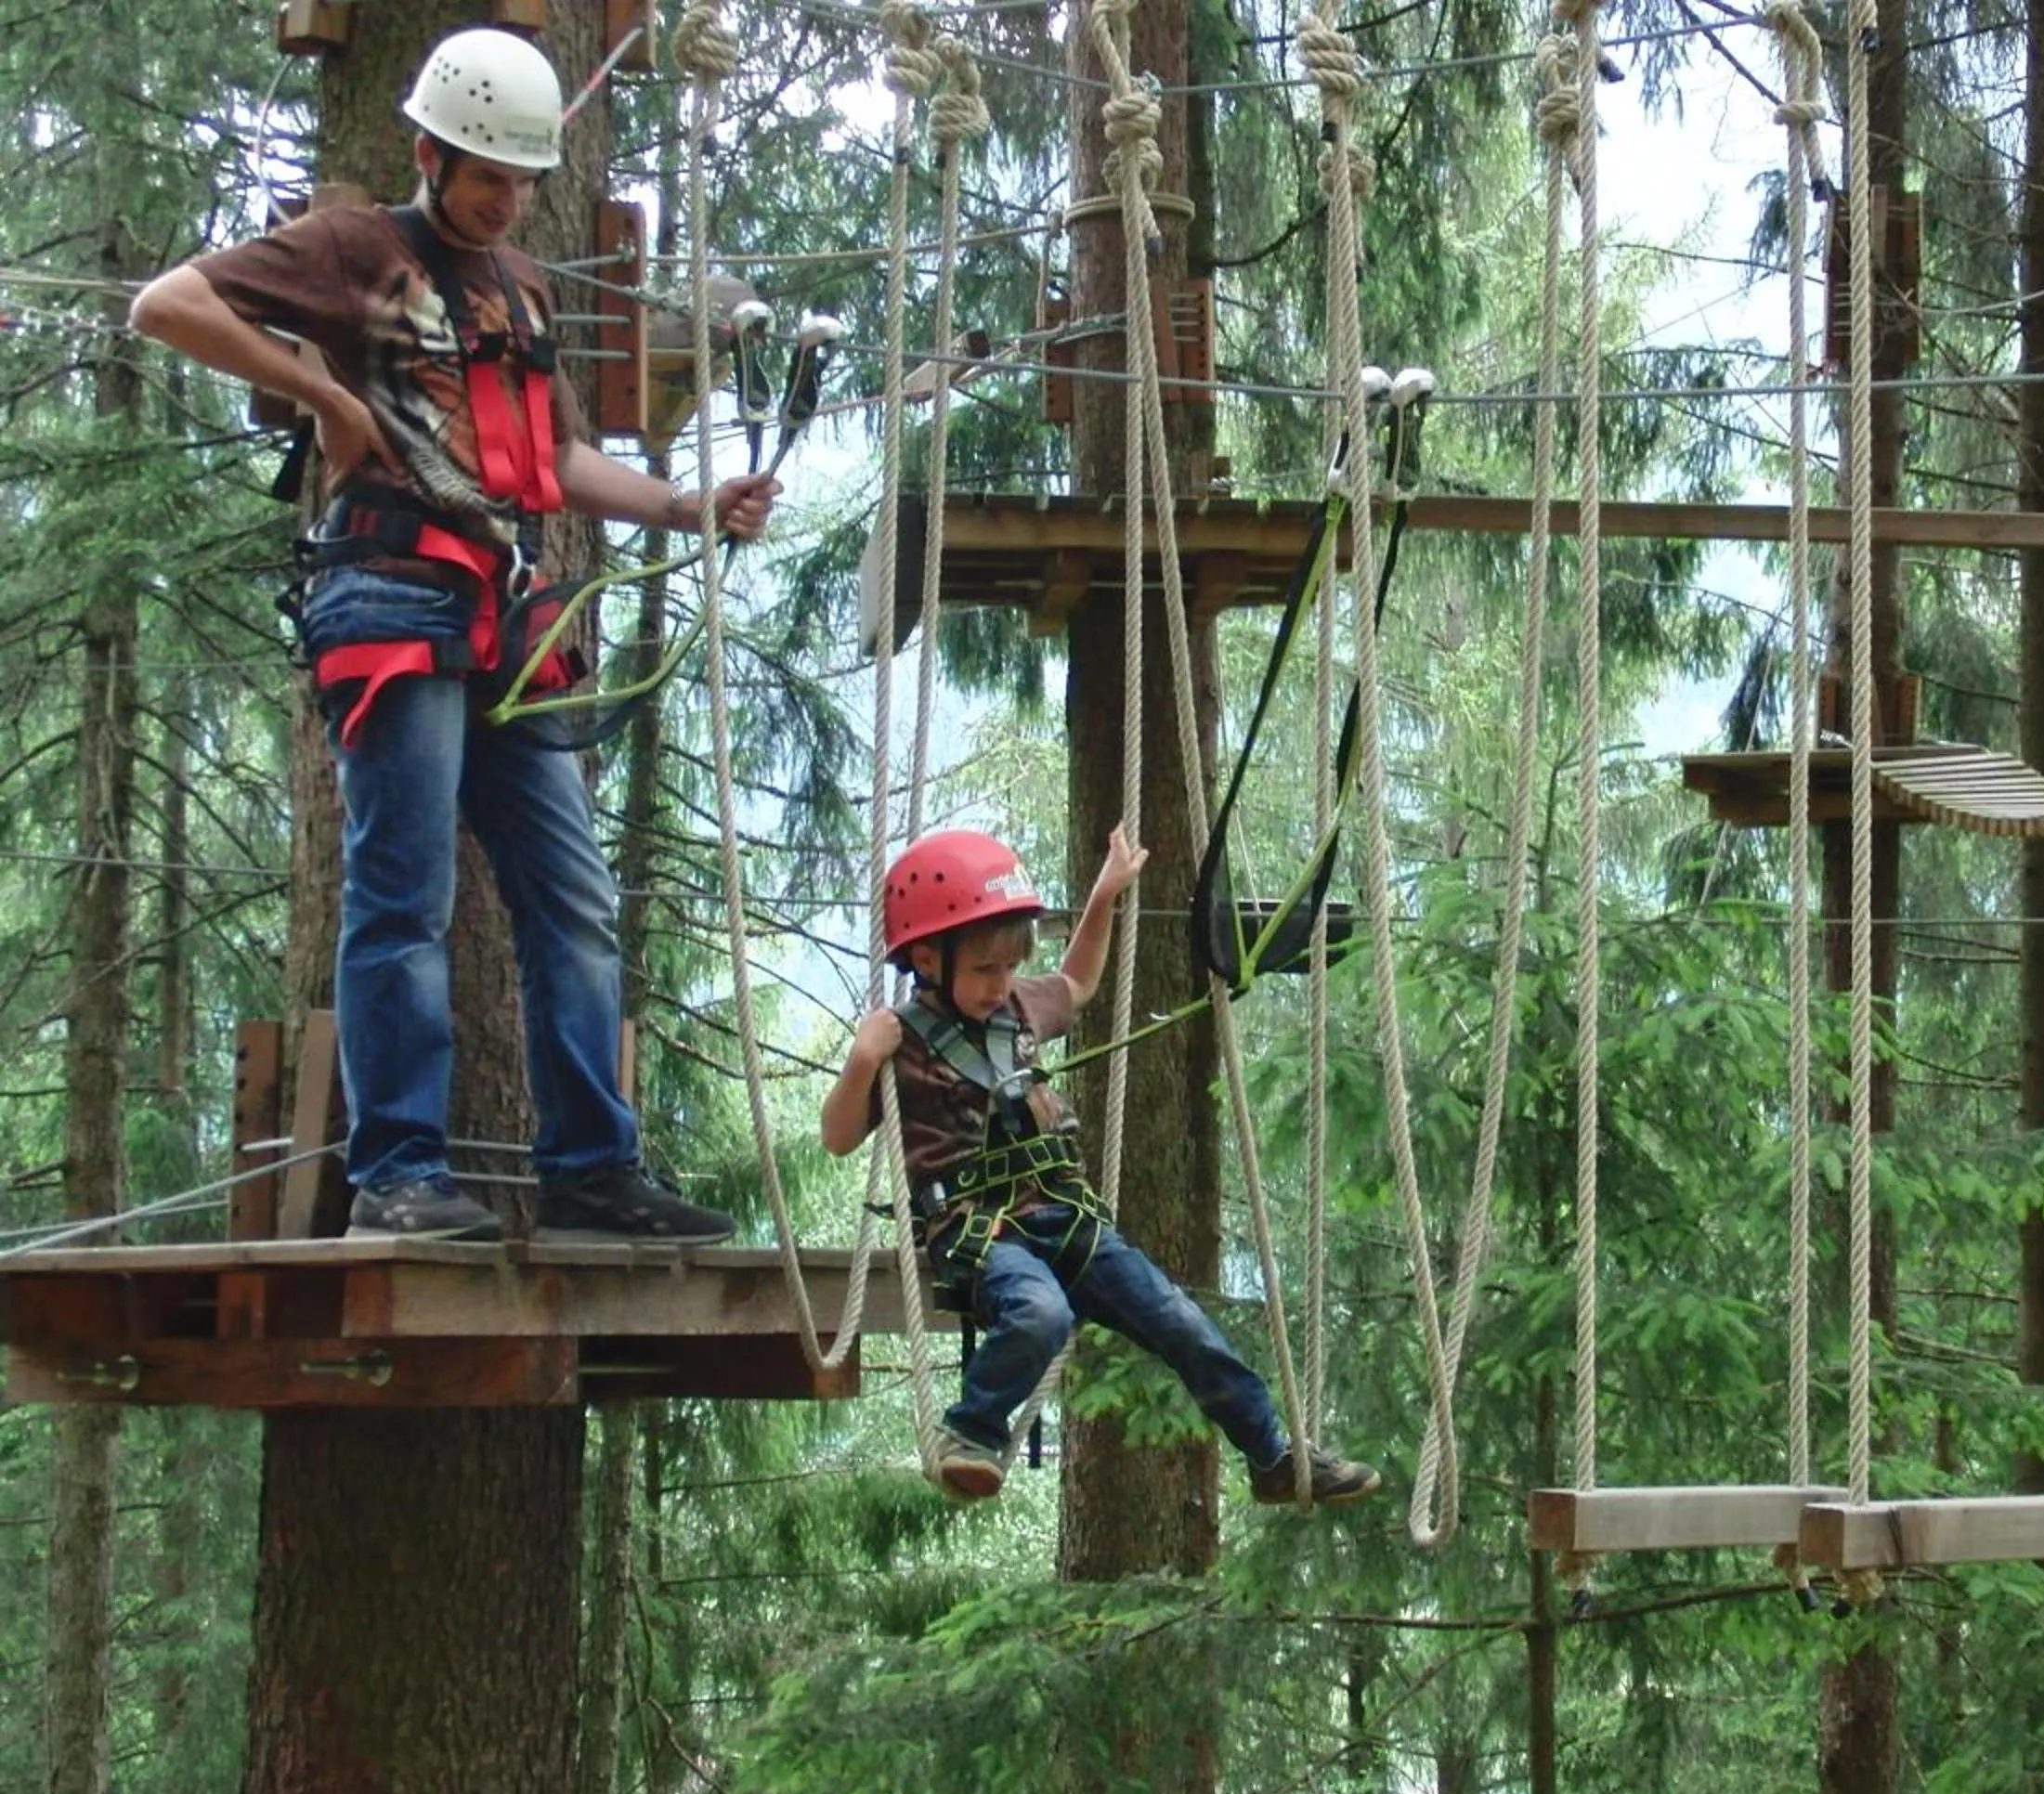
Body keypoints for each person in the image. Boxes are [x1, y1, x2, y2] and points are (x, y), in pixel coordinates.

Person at [130, 28, 778, 1243]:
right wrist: (322, 391)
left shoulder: (521, 286)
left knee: (573, 899)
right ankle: (399, 1174)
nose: (507, 197)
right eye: (488, 174)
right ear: (430, 151)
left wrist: (686, 507)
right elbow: (166, 303)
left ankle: (590, 1165)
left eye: (522, 179)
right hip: (390, 595)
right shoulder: (351, 249)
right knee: (404, 892)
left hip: (512, 613)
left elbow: (558, 460)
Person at [822, 826, 1380, 1507]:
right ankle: (970, 1434)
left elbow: (1079, 981)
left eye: (1006, 968)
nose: (1000, 986)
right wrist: (861, 1061)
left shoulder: (1019, 1005)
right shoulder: (901, 1042)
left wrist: (1106, 895)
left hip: (1066, 1222)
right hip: (980, 1232)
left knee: (1181, 1321)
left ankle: (1272, 1455)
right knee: (1039, 1314)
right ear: (929, 960)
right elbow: (840, 1136)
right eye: (983, 971)